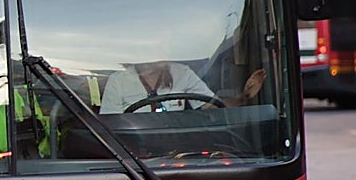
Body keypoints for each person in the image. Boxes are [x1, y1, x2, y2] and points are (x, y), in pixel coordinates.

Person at [99, 60, 266, 114]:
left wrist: (244, 97)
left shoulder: (182, 73)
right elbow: (111, 126)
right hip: (135, 154)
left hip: (178, 151)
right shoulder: (118, 80)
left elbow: (212, 106)